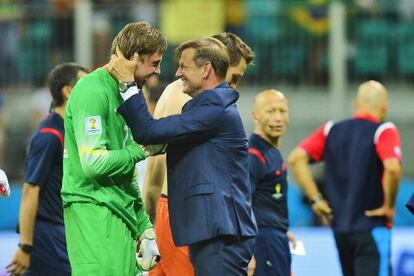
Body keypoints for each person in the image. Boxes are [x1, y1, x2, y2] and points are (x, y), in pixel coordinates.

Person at [111, 37, 257, 275]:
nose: (178, 73)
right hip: (210, 228)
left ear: (206, 68)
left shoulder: (214, 104)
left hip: (218, 232)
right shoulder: (206, 104)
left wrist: (128, 85)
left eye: (184, 66)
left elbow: (150, 132)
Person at [61, 22, 167, 276]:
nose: (158, 71)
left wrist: (143, 225)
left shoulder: (125, 94)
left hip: (121, 216)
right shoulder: (92, 90)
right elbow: (93, 163)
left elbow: (125, 169)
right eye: (154, 63)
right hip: (94, 213)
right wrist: (142, 150)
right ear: (133, 57)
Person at [288, 80, 402, 276]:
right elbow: (392, 168)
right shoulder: (384, 131)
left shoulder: (330, 130)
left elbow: (296, 158)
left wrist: (316, 199)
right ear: (385, 107)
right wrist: (389, 205)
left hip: (340, 229)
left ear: (356, 104)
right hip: (372, 227)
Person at [6, 63, 89, 276]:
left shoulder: (69, 131)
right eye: (85, 84)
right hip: (47, 235)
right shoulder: (49, 135)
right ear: (68, 91)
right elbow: (30, 190)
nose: (91, 91)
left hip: (63, 231)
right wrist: (25, 246)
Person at [248, 90, 296, 276]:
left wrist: (282, 230)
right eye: (270, 111)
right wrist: (248, 251)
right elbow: (242, 205)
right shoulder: (253, 155)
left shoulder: (271, 152)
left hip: (274, 237)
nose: (278, 118)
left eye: (282, 111)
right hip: (261, 242)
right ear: (255, 116)